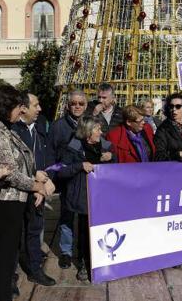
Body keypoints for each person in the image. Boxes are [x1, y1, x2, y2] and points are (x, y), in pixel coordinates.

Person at [0, 85, 54, 301]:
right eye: (17, 106)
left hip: (15, 204)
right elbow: (9, 173)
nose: (20, 110)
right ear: (6, 108)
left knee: (7, 257)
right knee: (3, 262)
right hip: (4, 205)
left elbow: (22, 164)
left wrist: (36, 175)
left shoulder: (6, 131)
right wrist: (36, 185)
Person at [56, 116, 116, 282]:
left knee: (101, 229)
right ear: (88, 132)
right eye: (97, 129)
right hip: (82, 195)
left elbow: (116, 169)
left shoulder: (106, 146)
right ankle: (83, 262)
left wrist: (112, 158)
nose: (101, 132)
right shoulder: (74, 147)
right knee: (84, 230)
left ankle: (101, 259)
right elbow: (62, 171)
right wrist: (80, 166)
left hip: (102, 195)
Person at [11, 92, 55, 287]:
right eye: (35, 105)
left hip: (38, 191)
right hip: (17, 191)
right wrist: (34, 181)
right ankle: (10, 276)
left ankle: (35, 269)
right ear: (23, 108)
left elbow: (47, 155)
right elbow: (12, 164)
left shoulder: (40, 127)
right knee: (13, 233)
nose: (40, 109)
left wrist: (48, 179)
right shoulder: (11, 130)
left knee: (34, 230)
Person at [46, 90, 87, 270]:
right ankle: (66, 252)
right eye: (73, 103)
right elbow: (51, 154)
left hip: (86, 178)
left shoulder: (91, 123)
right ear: (67, 105)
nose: (77, 106)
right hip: (66, 178)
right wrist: (51, 177)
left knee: (86, 217)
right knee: (66, 215)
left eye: (81, 103)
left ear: (86, 105)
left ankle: (84, 251)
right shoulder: (58, 126)